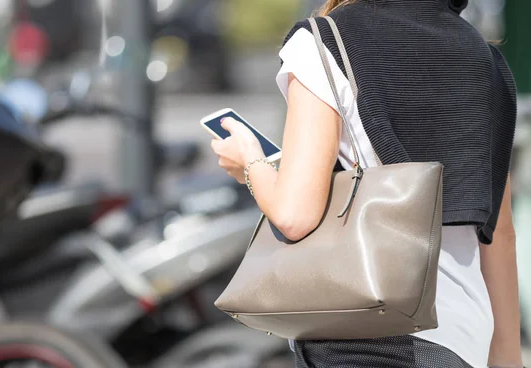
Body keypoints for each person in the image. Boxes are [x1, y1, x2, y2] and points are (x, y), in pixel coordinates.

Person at [210, 0, 522, 367]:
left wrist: (250, 162)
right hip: (463, 337)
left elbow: (295, 214)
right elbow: (498, 232)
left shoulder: (325, 41)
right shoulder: (480, 55)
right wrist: (508, 357)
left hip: (364, 330)